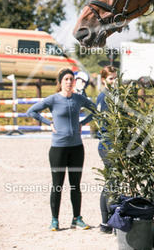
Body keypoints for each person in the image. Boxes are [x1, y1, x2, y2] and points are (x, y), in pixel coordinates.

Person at [28, 68, 96, 231]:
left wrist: (83, 122)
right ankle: (55, 220)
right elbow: (31, 111)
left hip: (77, 148)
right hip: (58, 149)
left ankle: (77, 218)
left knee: (75, 185)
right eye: (66, 79)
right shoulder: (53, 99)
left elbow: (96, 110)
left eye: (71, 79)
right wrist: (48, 123)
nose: (69, 82)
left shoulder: (79, 98)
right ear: (60, 82)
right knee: (57, 185)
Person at [95, 66, 117, 234]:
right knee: (110, 182)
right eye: (111, 79)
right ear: (104, 80)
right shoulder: (104, 97)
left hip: (113, 143)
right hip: (107, 144)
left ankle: (109, 219)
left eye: (116, 78)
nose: (114, 81)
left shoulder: (113, 95)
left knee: (113, 181)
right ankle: (105, 221)